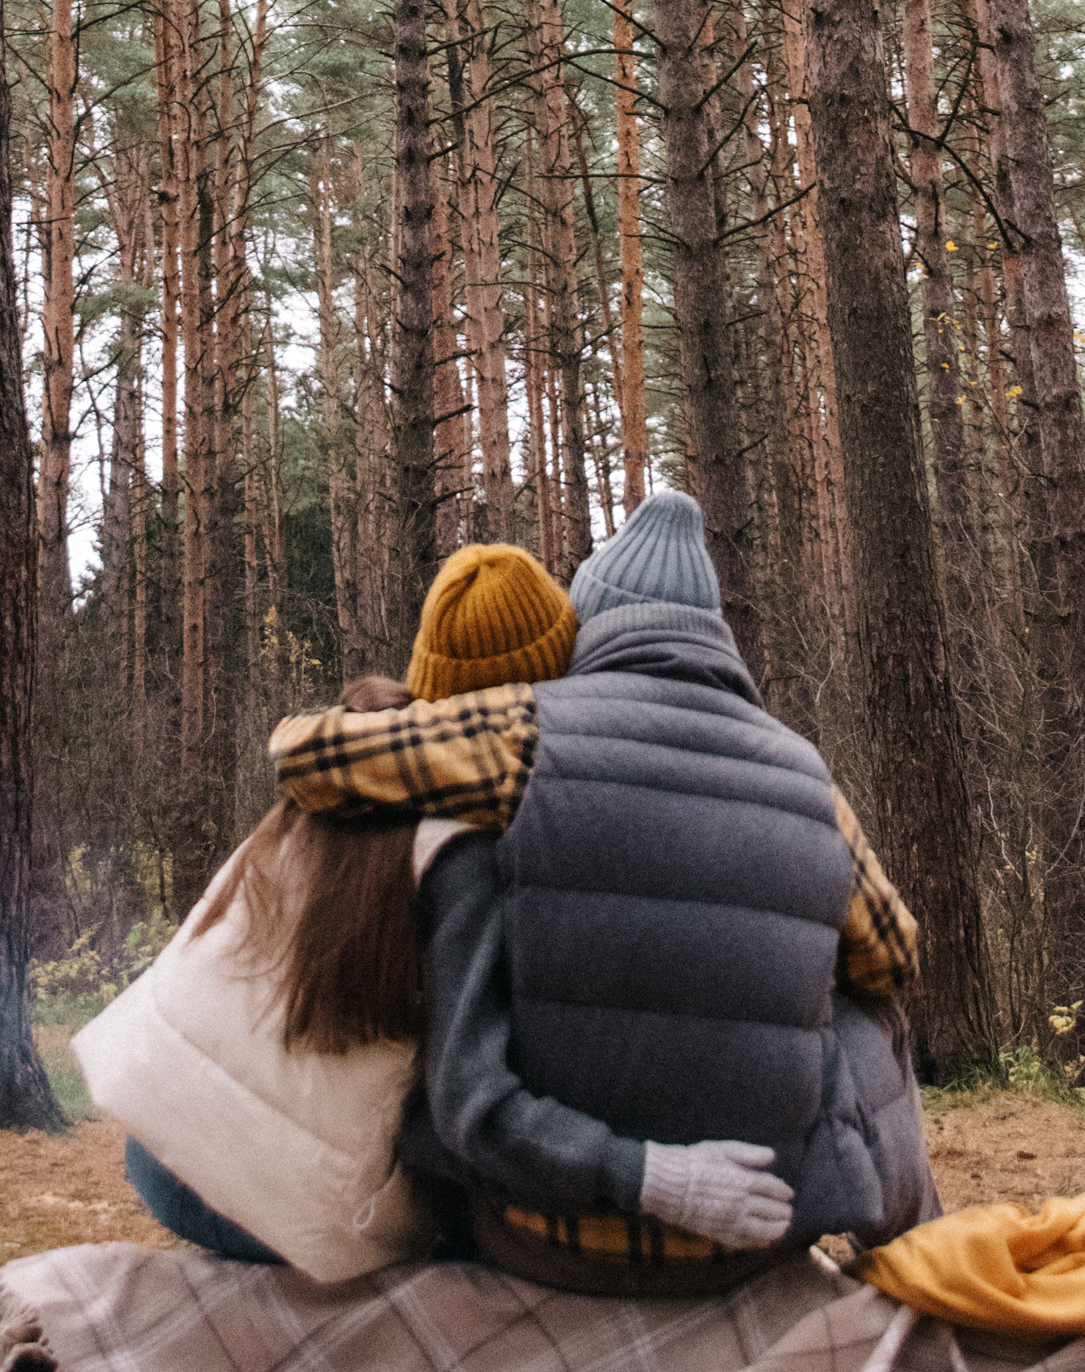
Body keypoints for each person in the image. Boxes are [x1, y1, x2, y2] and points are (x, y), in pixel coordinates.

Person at [268, 489, 936, 1294]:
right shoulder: (808, 776)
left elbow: (305, 759)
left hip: (544, 1236)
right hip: (750, 1245)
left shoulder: (524, 729)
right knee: (865, 995)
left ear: (592, 622)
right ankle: (907, 1234)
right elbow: (895, 955)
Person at [72, 542, 795, 1282]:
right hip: (266, 1208)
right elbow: (473, 1112)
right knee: (476, 1211)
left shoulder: (345, 771)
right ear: (546, 688)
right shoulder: (469, 854)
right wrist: (650, 1176)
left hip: (155, 1149)